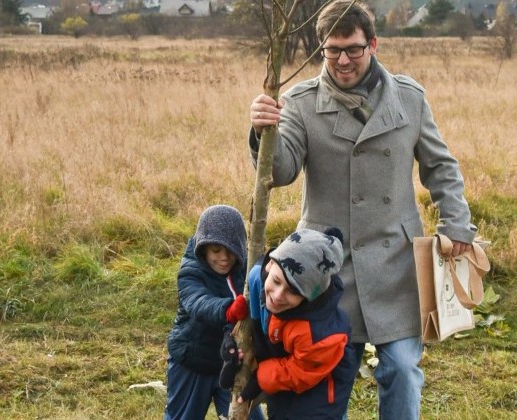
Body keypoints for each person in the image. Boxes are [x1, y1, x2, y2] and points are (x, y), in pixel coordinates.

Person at [245, 1, 476, 417]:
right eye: (332, 50)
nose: (343, 60)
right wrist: (264, 131)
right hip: (325, 268)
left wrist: (457, 224)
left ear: (373, 44)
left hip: (397, 261)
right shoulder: (300, 102)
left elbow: (440, 166)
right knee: (326, 378)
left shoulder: (409, 98)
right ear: (321, 50)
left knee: (403, 369)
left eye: (352, 48)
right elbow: (280, 172)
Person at [219, 227, 358, 419]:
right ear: (270, 266)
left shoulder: (320, 333)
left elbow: (300, 372)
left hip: (317, 393)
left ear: (309, 296)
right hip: (283, 372)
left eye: (293, 292)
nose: (277, 296)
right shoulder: (257, 277)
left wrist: (260, 378)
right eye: (276, 281)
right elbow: (252, 326)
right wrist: (231, 342)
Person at [164, 205, 264, 420]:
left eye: (231, 250)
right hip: (192, 362)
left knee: (248, 416)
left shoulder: (246, 268)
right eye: (216, 250)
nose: (224, 258)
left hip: (231, 365)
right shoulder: (190, 272)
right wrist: (228, 309)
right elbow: (198, 303)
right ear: (203, 248)